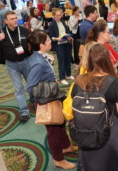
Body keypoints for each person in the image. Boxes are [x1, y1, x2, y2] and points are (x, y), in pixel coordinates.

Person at [72, 43, 118, 170]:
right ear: (108, 60)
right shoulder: (116, 83)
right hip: (110, 135)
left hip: (86, 134)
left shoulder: (79, 81)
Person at [26, 30, 76, 170]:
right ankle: (58, 159)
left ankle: (66, 147)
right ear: (41, 44)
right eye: (48, 40)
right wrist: (49, 86)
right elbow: (30, 87)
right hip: (47, 100)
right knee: (53, 131)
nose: (50, 41)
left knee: (60, 123)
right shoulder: (37, 63)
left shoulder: (41, 56)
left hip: (53, 96)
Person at [0, 11, 34, 123]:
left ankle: (34, 102)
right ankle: (24, 112)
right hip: (11, 65)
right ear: (6, 21)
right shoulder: (1, 31)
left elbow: (32, 44)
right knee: (18, 88)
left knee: (31, 84)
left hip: (26, 62)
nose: (15, 20)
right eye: (12, 19)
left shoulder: (24, 30)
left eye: (15, 18)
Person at [49, 8, 74, 85]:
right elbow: (51, 37)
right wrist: (57, 39)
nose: (59, 17)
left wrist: (69, 36)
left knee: (68, 59)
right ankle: (62, 77)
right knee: (61, 61)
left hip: (66, 42)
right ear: (53, 16)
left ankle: (68, 74)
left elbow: (67, 31)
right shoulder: (52, 25)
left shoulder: (63, 22)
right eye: (57, 15)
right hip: (59, 44)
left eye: (60, 15)